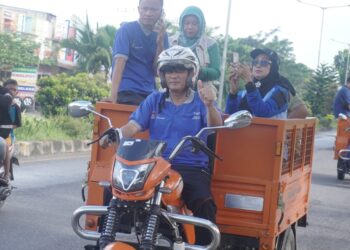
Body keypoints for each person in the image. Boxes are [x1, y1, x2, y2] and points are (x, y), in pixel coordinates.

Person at [118, 46, 222, 245]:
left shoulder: (201, 100)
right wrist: (116, 133)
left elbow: (215, 126)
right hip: (156, 165)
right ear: (162, 75)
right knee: (114, 191)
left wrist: (209, 105)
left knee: (203, 201)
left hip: (191, 167)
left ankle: (204, 246)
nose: (173, 75)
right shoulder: (155, 99)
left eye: (179, 70)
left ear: (191, 73)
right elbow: (134, 125)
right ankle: (106, 237)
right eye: (168, 71)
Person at [106, 0, 169, 105]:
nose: (148, 13)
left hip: (150, 92)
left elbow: (157, 72)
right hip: (127, 90)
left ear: (161, 12)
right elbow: (120, 62)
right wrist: (113, 96)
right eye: (145, 8)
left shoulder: (163, 35)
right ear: (138, 9)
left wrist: (160, 44)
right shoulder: (126, 30)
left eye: (153, 9)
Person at [225, 48, 295, 118]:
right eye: (255, 62)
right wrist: (233, 94)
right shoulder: (245, 92)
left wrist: (249, 82)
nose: (258, 65)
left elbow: (263, 113)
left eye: (264, 62)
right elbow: (230, 116)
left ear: (273, 67)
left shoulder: (281, 92)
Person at [170, 6, 221, 85]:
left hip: (201, 92)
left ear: (200, 24)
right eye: (187, 23)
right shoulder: (171, 42)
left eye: (194, 23)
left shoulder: (211, 44)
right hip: (174, 91)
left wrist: (198, 70)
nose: (190, 27)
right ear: (182, 24)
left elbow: (216, 72)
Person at [0, 79, 21, 184]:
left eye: (14, 90)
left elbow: (17, 123)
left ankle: (6, 174)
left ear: (17, 93)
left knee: (6, 147)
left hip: (7, 134)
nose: (12, 91)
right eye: (9, 89)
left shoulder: (15, 107)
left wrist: (7, 128)